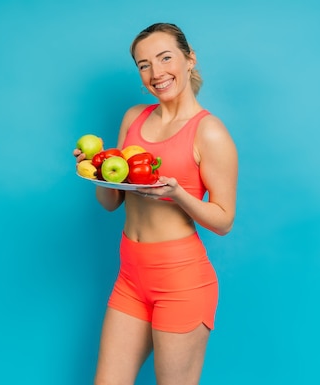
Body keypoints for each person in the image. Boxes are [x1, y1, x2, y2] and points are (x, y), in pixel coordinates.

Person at [74, 22, 238, 385]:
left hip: (181, 281)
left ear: (189, 59)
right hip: (131, 276)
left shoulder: (208, 131)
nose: (156, 72)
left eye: (166, 58)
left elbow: (224, 220)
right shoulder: (134, 117)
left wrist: (179, 195)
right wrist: (97, 168)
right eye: (144, 64)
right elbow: (110, 203)